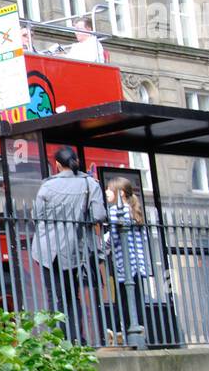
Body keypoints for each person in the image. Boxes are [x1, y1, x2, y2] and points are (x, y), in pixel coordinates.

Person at [30, 146, 108, 345]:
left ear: (56, 165)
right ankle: (74, 338)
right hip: (76, 249)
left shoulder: (47, 186)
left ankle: (58, 340)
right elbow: (99, 215)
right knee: (73, 295)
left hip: (47, 250)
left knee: (54, 295)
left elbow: (36, 216)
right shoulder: (90, 184)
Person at [106, 177, 150, 345]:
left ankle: (117, 333)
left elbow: (115, 237)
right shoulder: (134, 210)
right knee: (136, 299)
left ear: (121, 192)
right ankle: (138, 331)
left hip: (124, 263)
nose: (106, 192)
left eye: (110, 189)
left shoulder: (116, 210)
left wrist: (104, 243)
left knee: (121, 300)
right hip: (138, 264)